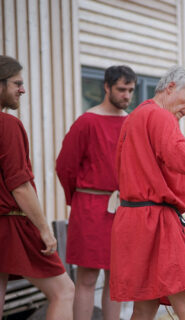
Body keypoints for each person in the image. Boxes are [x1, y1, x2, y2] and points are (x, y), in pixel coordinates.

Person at [110, 65, 185, 320]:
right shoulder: (160, 117)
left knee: (144, 308)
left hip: (135, 221)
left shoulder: (135, 117)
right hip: (156, 223)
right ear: (171, 87)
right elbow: (177, 152)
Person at [56, 65, 137, 320]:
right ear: (106, 87)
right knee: (88, 276)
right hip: (89, 206)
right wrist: (78, 200)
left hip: (123, 208)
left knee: (117, 277)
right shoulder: (87, 121)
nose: (126, 95)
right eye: (121, 89)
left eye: (131, 90)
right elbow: (65, 166)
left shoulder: (132, 122)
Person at [0, 55, 75, 319]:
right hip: (12, 223)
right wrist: (45, 230)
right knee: (64, 291)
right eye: (16, 83)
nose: (23, 89)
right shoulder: (7, 124)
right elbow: (19, 185)